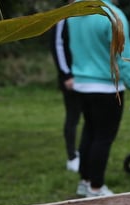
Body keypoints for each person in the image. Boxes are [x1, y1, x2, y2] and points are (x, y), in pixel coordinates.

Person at [66, 0, 130, 197]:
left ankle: (85, 182)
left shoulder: (74, 13)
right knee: (102, 137)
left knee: (89, 132)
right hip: (106, 86)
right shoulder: (112, 15)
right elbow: (124, 56)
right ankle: (96, 187)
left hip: (82, 85)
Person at [50, 13, 80, 173]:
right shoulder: (63, 18)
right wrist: (66, 75)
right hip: (71, 79)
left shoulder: (86, 16)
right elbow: (57, 46)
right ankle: (72, 156)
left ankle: (83, 152)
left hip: (88, 78)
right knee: (72, 117)